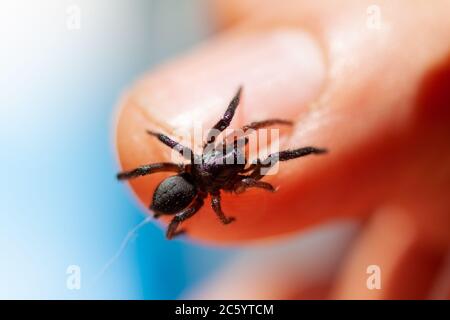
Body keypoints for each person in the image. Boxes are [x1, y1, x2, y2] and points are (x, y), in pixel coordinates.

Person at [114, 0, 450, 299]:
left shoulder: (207, 168)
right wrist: (220, 208)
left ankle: (134, 181)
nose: (238, 149)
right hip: (193, 189)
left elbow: (219, 145)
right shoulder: (210, 186)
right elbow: (223, 179)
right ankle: (308, 148)